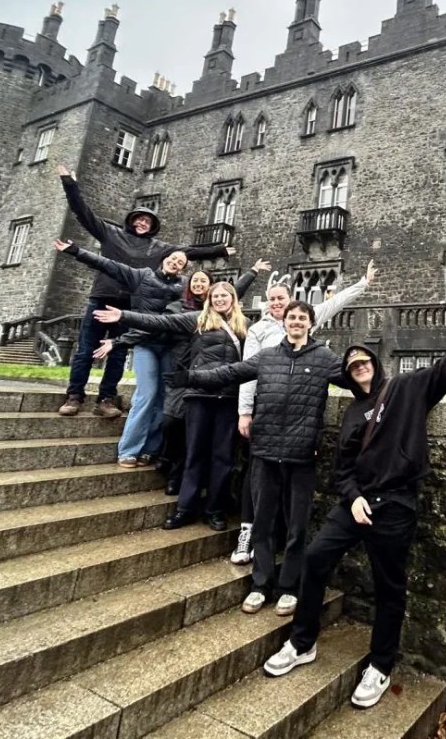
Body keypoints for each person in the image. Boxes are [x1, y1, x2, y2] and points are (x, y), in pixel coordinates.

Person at [263, 300, 446, 711]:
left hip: (395, 503)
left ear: (375, 364)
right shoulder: (350, 414)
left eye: (364, 360)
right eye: (352, 364)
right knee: (314, 558)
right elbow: (342, 470)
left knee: (390, 587)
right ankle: (302, 641)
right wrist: (354, 497)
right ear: (346, 376)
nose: (359, 366)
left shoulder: (404, 388)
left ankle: (381, 664)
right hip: (356, 503)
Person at [183, 299, 350, 618]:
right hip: (265, 450)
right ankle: (260, 585)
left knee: (297, 526)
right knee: (262, 522)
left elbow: (359, 379)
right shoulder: (268, 356)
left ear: (311, 324)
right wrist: (191, 377)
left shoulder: (324, 358)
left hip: (301, 454)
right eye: (292, 317)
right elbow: (231, 372)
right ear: (284, 322)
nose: (297, 322)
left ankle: (288, 588)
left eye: (303, 318)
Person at [228, 261, 377, 565]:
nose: (277, 303)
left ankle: (277, 546)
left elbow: (335, 303)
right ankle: (249, 533)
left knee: (291, 491)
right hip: (264, 409)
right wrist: (245, 412)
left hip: (299, 416)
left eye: (281, 298)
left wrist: (363, 282)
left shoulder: (305, 321)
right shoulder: (258, 330)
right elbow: (247, 373)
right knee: (256, 478)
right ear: (268, 303)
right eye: (272, 299)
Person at [56, 165, 231, 418]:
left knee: (117, 352)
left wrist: (220, 250)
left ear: (153, 226)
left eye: (147, 220)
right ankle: (74, 396)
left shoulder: (159, 248)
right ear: (131, 220)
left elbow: (188, 251)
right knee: (86, 349)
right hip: (101, 299)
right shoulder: (110, 233)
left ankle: (106, 399)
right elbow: (82, 213)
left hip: (128, 307)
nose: (142, 222)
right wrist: (70, 184)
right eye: (139, 218)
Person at [97, 273, 265, 531]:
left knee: (223, 457)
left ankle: (215, 510)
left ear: (233, 299)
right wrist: (124, 316)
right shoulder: (196, 320)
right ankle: (185, 508)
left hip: (229, 397)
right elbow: (161, 322)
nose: (220, 299)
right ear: (210, 299)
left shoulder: (246, 326)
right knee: (194, 453)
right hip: (198, 395)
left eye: (225, 295)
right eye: (216, 295)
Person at [52, 239, 189, 467]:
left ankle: (150, 449)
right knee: (146, 394)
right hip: (144, 343)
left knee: (164, 398)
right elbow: (109, 265)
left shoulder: (184, 285)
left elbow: (214, 294)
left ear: (183, 269)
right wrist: (76, 251)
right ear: (165, 259)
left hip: (169, 347)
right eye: (173, 258)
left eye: (180, 262)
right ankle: (129, 448)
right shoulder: (142, 276)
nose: (175, 262)